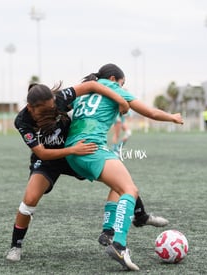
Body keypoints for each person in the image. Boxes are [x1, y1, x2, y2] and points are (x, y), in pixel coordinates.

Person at [6, 81, 167, 262]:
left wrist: (120, 99)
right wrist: (72, 151)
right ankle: (15, 246)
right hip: (48, 160)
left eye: (53, 107)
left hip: (74, 152)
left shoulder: (59, 98)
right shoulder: (22, 121)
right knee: (29, 200)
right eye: (45, 110)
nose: (52, 111)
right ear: (31, 108)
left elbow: (91, 85)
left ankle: (139, 216)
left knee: (119, 182)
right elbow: (41, 152)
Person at [65, 63, 183, 270]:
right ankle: (119, 245)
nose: (123, 87)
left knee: (118, 186)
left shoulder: (83, 92)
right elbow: (151, 113)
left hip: (73, 154)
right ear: (113, 80)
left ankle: (108, 231)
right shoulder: (113, 88)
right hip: (92, 149)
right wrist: (172, 117)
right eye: (122, 83)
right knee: (130, 190)